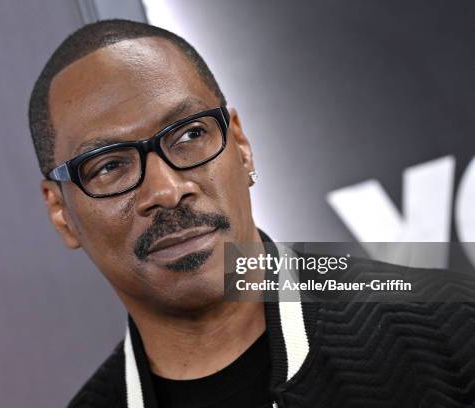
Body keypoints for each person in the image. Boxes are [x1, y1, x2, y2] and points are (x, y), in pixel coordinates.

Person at [28, 19, 475, 408]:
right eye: (109, 166)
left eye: (189, 135)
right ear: (60, 212)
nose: (165, 190)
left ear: (240, 145)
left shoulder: (453, 330)